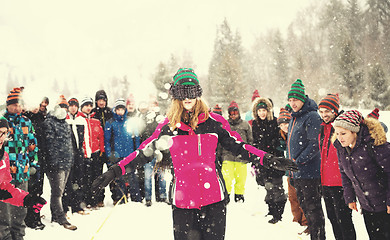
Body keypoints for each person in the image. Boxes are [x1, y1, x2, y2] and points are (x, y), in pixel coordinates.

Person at [92, 68, 298, 240]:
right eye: (182, 92)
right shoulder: (168, 128)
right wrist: (114, 171)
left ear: (198, 93)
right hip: (183, 203)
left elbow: (239, 146)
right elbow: (142, 153)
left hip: (214, 200)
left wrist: (268, 159)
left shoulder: (214, 123)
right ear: (176, 96)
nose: (187, 97)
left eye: (191, 91)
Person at [333, 110, 390, 239]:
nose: (339, 137)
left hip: (385, 205)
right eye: (337, 133)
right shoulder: (342, 148)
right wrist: (350, 197)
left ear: (354, 131)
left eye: (343, 133)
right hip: (367, 205)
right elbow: (344, 173)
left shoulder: (375, 145)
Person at [286, 79, 325, 239]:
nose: (292, 103)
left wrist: (298, 161)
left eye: (295, 100)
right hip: (297, 173)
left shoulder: (312, 117)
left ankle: (319, 237)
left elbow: (314, 144)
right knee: (305, 207)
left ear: (303, 99)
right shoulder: (294, 118)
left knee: (313, 209)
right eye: (290, 100)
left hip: (309, 173)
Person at [0, 88, 40, 240]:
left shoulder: (26, 121)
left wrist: (34, 164)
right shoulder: (2, 122)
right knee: (4, 210)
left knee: (21, 209)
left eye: (19, 104)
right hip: (5, 173)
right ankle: (5, 236)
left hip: (23, 171)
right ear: (8, 105)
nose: (17, 107)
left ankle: (19, 235)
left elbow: (32, 144)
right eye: (14, 104)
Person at [318, 94, 356, 240]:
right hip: (325, 182)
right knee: (333, 219)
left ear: (335, 110)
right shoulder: (323, 128)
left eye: (327, 111)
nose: (324, 115)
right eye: (321, 111)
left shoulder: (342, 127)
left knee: (344, 221)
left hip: (341, 183)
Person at [42, 96, 77, 230]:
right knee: (57, 192)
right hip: (55, 165)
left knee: (59, 192)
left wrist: (70, 159)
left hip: (66, 163)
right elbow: (49, 145)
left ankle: (55, 217)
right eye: (61, 107)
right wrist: (54, 162)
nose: (63, 110)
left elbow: (69, 144)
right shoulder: (49, 123)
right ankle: (62, 219)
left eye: (65, 108)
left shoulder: (66, 124)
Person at [251, 97, 287, 224]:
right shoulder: (255, 124)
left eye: (264, 110)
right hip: (262, 160)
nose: (262, 113)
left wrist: (274, 146)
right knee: (267, 187)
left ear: (268, 111)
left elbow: (280, 140)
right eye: (259, 110)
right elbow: (254, 142)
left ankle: (278, 214)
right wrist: (254, 160)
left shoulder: (274, 122)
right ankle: (271, 210)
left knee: (277, 186)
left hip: (275, 158)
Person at [104, 98, 142, 204]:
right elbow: (107, 141)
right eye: (118, 109)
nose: (120, 111)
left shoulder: (130, 121)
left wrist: (137, 151)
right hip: (117, 155)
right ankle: (121, 198)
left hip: (130, 155)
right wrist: (109, 154)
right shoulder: (110, 123)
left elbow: (136, 138)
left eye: (122, 109)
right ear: (115, 110)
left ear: (125, 110)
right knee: (119, 178)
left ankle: (136, 200)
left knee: (132, 177)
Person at [23, 97, 49, 230]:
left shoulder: (41, 118)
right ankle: (28, 218)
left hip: (40, 158)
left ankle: (35, 216)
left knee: (38, 190)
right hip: (27, 159)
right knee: (28, 190)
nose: (38, 107)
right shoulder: (25, 118)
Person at [63, 97, 91, 215]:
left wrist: (87, 153)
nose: (73, 107)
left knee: (78, 180)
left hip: (79, 154)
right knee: (67, 182)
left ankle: (77, 206)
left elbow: (86, 137)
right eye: (71, 105)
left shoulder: (81, 120)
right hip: (68, 154)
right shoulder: (65, 119)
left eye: (75, 105)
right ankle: (64, 207)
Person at [221, 101, 252, 203]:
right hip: (227, 155)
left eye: (235, 113)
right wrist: (219, 155)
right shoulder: (225, 124)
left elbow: (250, 139)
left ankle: (239, 195)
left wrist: (249, 152)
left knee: (241, 178)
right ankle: (226, 195)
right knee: (227, 177)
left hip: (241, 156)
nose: (233, 115)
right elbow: (220, 141)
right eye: (231, 113)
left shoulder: (245, 125)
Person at [78, 97, 105, 209]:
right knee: (85, 178)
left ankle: (96, 200)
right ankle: (86, 200)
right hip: (85, 153)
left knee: (97, 177)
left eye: (90, 105)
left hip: (95, 152)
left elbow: (101, 136)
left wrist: (101, 150)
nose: (88, 108)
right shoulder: (79, 119)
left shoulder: (96, 121)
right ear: (82, 107)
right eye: (86, 105)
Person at [91, 90, 113, 207]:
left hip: (110, 148)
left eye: (103, 100)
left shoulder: (110, 112)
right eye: (99, 100)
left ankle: (116, 196)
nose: (101, 102)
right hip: (98, 149)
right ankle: (98, 198)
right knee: (98, 175)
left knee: (113, 173)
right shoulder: (93, 113)